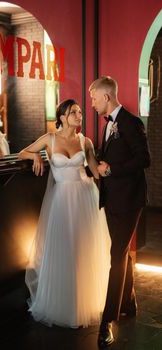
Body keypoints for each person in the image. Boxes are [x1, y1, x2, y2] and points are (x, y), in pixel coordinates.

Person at [18, 99, 111, 328]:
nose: (80, 115)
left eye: (80, 112)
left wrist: (110, 168)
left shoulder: (85, 140)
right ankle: (61, 302)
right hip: (61, 200)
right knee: (63, 249)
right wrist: (35, 156)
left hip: (85, 197)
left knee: (83, 250)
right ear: (62, 117)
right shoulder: (48, 138)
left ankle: (84, 302)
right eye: (74, 112)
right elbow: (22, 153)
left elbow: (95, 172)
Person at [89, 76, 151, 347]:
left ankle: (107, 322)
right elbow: (107, 156)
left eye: (93, 98)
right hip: (112, 199)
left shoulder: (131, 122)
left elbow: (143, 159)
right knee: (121, 251)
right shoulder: (107, 125)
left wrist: (111, 169)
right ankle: (130, 302)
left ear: (106, 97)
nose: (91, 103)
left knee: (116, 256)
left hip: (129, 201)